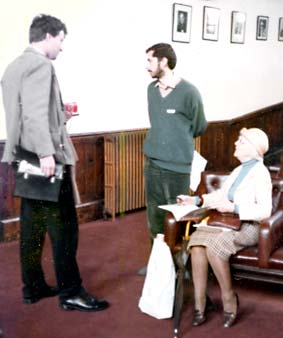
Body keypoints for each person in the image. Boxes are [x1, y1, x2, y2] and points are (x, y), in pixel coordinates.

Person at [1, 14, 109, 312]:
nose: (61, 47)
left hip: (23, 157)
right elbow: (35, 115)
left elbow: (26, 114)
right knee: (65, 230)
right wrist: (47, 153)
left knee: (31, 228)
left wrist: (60, 116)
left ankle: (32, 286)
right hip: (44, 159)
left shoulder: (13, 66)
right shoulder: (40, 65)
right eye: (61, 40)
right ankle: (71, 292)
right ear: (48, 36)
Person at [177, 127, 272, 327]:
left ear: (253, 148)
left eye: (241, 141)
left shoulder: (261, 173)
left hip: (247, 225)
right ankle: (200, 304)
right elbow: (221, 195)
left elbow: (265, 211)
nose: (236, 143)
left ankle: (229, 298)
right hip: (225, 221)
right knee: (196, 245)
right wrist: (194, 200)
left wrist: (235, 207)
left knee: (214, 246)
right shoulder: (239, 170)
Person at [138, 43, 207, 275]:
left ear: (164, 61)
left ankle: (182, 266)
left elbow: (199, 126)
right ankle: (157, 265)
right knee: (154, 216)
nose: (146, 65)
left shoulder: (189, 92)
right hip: (152, 162)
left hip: (177, 166)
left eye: (150, 60)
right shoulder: (150, 90)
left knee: (179, 217)